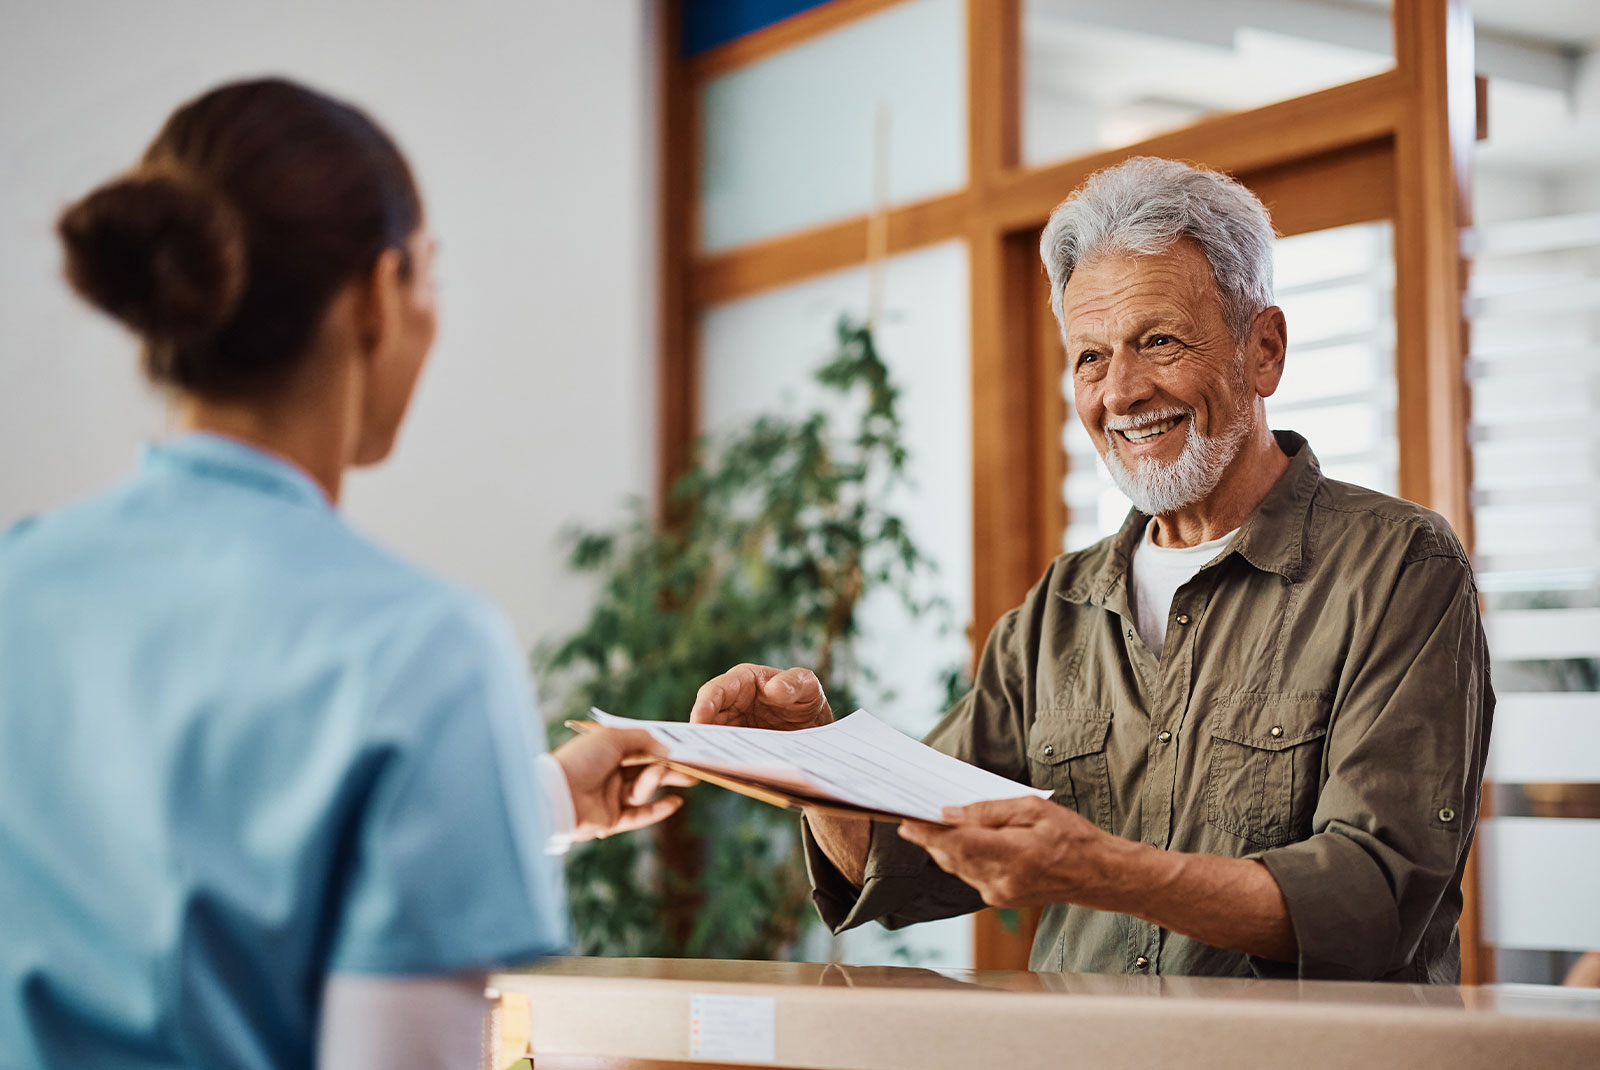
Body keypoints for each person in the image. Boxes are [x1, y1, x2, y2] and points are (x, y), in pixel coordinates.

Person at [0, 78, 686, 1069]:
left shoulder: (23, 582)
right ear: (376, 296)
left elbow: (186, 833)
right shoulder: (424, 646)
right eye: (430, 275)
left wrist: (545, 798)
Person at [692, 157, 1494, 983]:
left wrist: (1104, 870)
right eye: (1090, 358)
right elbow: (912, 859)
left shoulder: (1398, 567)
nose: (1123, 391)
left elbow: (1377, 898)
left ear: (1264, 350)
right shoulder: (1058, 609)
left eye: (1159, 341)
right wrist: (821, 766)